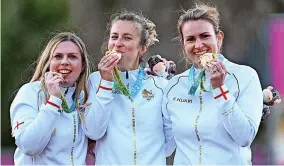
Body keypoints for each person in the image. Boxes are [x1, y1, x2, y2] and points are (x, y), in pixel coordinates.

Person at [162, 3, 264, 165]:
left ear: (219, 38)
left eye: (204, 36)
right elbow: (165, 147)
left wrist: (220, 89)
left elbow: (244, 137)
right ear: (183, 44)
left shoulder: (245, 76)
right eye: (190, 39)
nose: (198, 45)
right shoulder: (174, 86)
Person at [84, 11, 174, 165]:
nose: (118, 43)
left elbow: (168, 146)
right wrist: (106, 82)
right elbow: (94, 132)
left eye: (127, 38)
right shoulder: (95, 81)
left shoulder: (159, 86)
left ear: (143, 48)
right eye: (114, 36)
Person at [10, 32, 91, 165]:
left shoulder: (84, 98)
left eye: (72, 57)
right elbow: (28, 146)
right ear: (49, 62)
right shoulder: (30, 92)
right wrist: (53, 101)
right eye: (58, 56)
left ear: (82, 66)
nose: (65, 61)